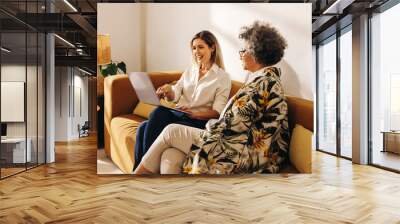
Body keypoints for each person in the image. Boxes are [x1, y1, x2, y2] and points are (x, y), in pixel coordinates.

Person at [134, 21, 289, 175]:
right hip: (232, 139)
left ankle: (136, 179)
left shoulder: (263, 83)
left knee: (170, 131)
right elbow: (237, 120)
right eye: (194, 48)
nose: (240, 54)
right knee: (170, 154)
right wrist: (169, 91)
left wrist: (208, 123)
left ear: (256, 52)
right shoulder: (261, 81)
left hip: (240, 149)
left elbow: (231, 123)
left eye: (244, 50)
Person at [133, 31, 231, 170]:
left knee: (158, 113)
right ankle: (139, 170)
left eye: (201, 47)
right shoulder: (190, 70)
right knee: (143, 127)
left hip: (198, 120)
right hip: (180, 113)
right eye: (194, 48)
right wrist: (168, 92)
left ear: (212, 47)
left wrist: (195, 113)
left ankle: (141, 171)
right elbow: (176, 93)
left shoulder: (222, 77)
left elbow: (217, 112)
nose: (196, 51)